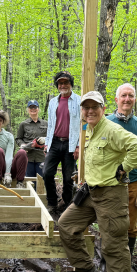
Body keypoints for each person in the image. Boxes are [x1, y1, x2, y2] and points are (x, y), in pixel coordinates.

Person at [58, 91, 137, 272]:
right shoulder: (90, 130)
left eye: (94, 107)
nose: (90, 111)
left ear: (103, 109)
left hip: (111, 195)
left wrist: (124, 168)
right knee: (67, 224)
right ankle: (85, 267)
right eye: (86, 107)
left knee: (113, 245)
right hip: (91, 192)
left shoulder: (112, 129)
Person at [106, 83, 137, 259]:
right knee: (109, 222)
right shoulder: (107, 122)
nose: (127, 99)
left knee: (131, 224)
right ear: (117, 99)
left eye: (131, 96)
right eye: (123, 95)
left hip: (135, 181)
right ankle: (107, 258)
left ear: (134, 99)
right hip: (110, 181)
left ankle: (127, 259)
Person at [44, 71, 81, 214]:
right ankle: (52, 203)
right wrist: (47, 143)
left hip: (70, 145)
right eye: (60, 83)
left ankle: (66, 204)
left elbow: (82, 125)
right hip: (54, 142)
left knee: (68, 178)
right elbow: (51, 125)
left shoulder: (79, 100)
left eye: (66, 82)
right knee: (47, 173)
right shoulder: (53, 102)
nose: (63, 85)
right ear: (57, 85)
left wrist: (78, 145)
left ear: (71, 84)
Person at [15, 100, 48, 178]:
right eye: (31, 107)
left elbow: (51, 138)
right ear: (28, 110)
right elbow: (18, 138)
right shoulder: (23, 124)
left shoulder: (46, 124)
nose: (33, 109)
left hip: (41, 157)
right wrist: (23, 145)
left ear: (38, 109)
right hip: (28, 157)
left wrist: (45, 139)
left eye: (35, 107)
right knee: (29, 180)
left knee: (41, 180)